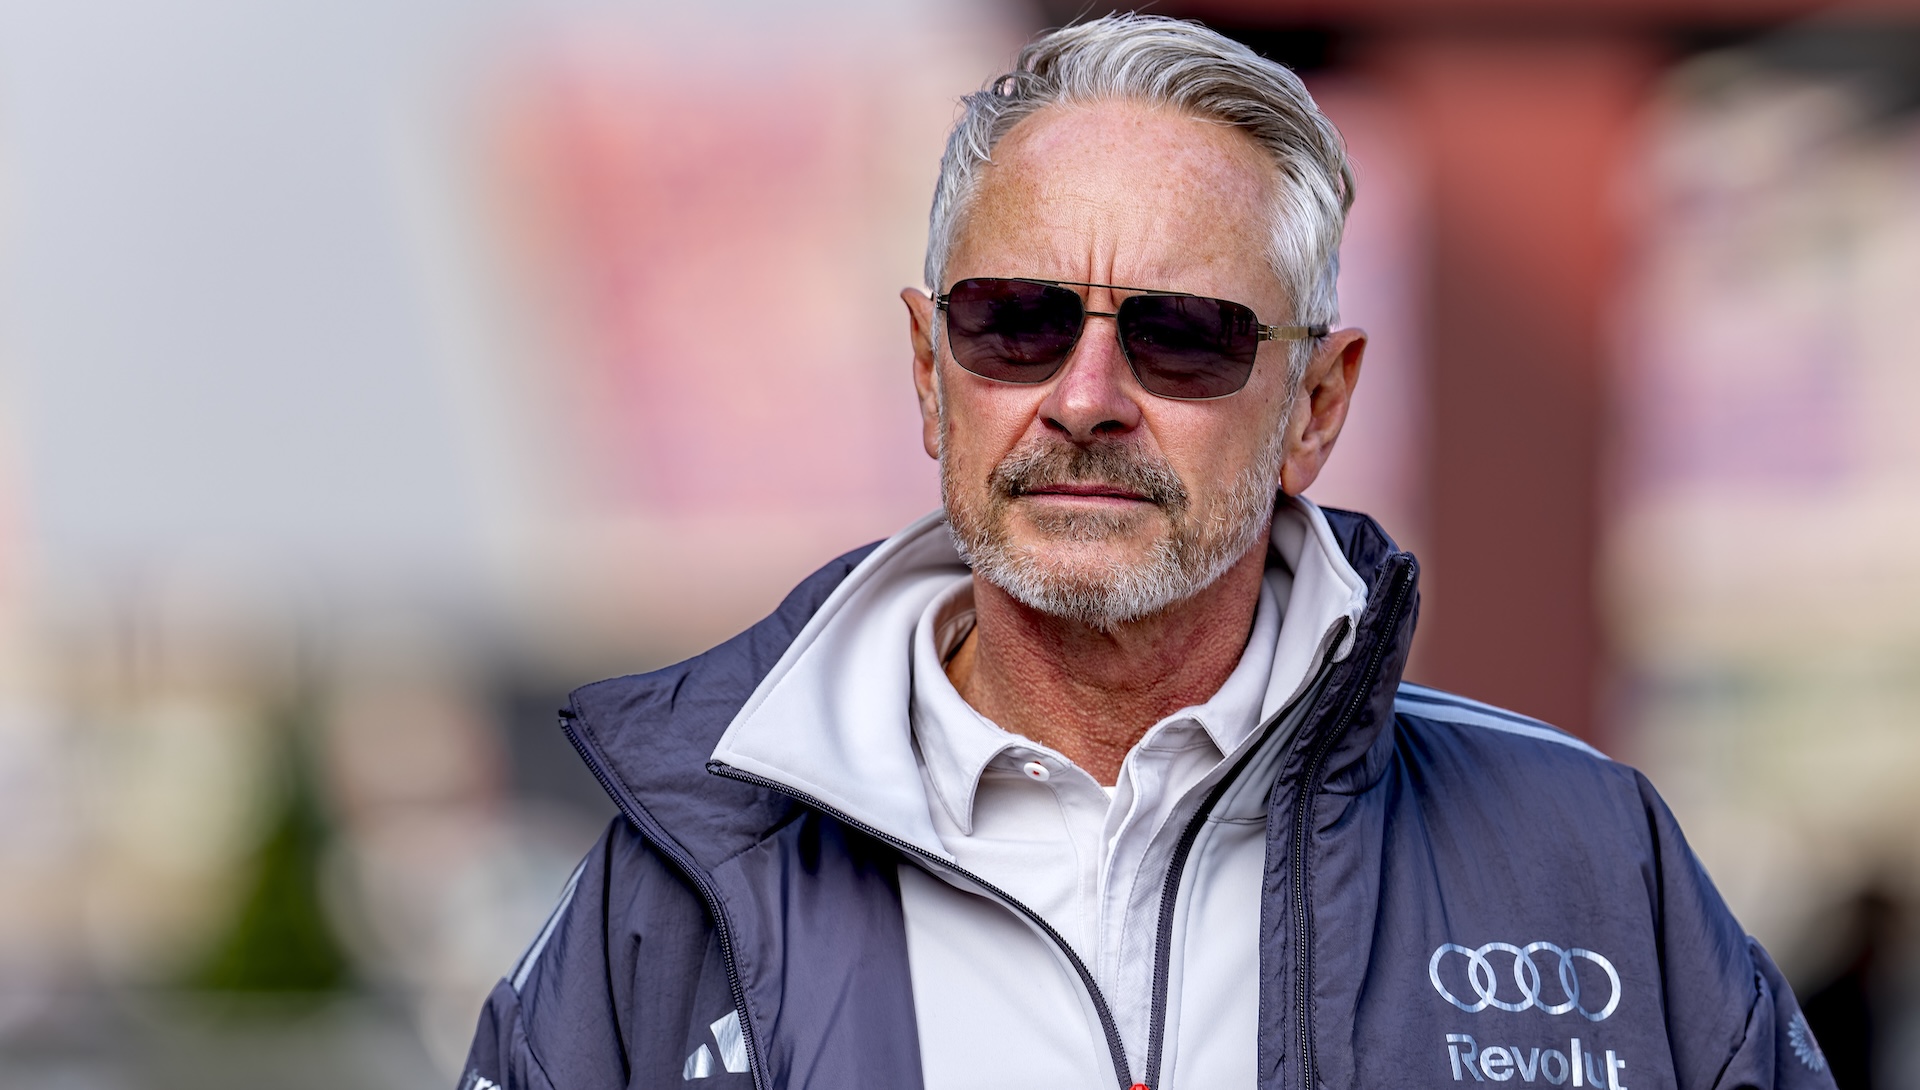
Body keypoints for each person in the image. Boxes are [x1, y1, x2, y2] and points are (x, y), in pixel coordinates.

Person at [461, 15, 1834, 1090]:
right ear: (932, 373)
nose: (1084, 394)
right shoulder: (674, 888)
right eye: (1015, 320)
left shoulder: (1588, 862)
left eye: (1184, 334)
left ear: (1318, 403)